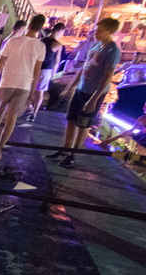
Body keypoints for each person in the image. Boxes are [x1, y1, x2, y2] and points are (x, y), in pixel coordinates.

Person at [47, 18, 121, 168]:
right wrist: (71, 86)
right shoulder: (95, 46)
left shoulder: (113, 51)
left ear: (110, 32)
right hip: (81, 88)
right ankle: (65, 149)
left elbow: (107, 77)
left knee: (83, 124)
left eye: (100, 30)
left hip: (93, 93)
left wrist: (94, 99)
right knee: (71, 119)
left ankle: (72, 155)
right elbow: (84, 67)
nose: (95, 33)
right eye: (96, 30)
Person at [0, 14, 46, 164]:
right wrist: (32, 91)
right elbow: (37, 72)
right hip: (24, 84)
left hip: (7, 80)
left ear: (28, 24)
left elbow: (0, 63)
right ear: (41, 28)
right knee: (11, 118)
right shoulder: (40, 46)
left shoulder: (12, 41)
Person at [27, 22, 65, 122]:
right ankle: (34, 113)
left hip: (35, 68)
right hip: (46, 70)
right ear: (60, 31)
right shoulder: (57, 44)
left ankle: (28, 108)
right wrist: (54, 74)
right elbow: (57, 61)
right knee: (40, 92)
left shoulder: (41, 40)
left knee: (31, 90)